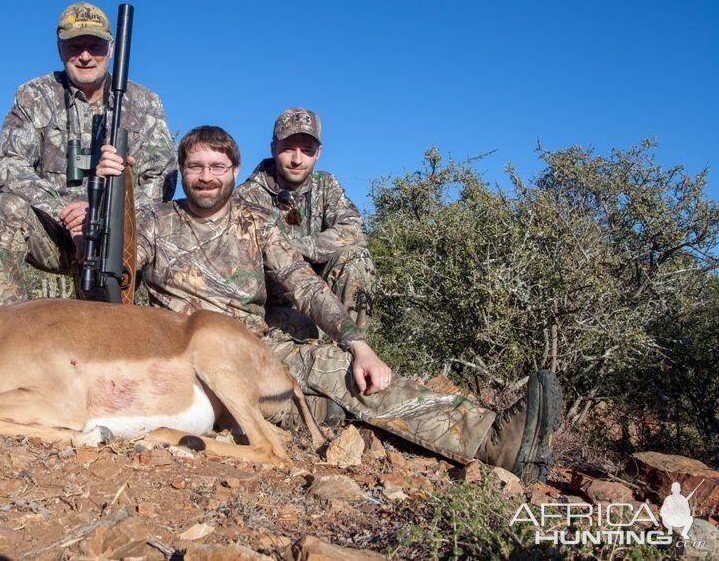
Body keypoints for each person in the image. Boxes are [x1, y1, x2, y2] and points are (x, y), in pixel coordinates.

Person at [96, 126, 562, 482]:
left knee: (344, 371)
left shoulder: (257, 222)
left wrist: (358, 345)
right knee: (310, 394)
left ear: (235, 172)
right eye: (196, 167)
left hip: (253, 348)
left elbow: (304, 284)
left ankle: (490, 440)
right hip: (182, 358)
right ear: (183, 171)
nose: (206, 177)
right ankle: (314, 414)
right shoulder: (153, 221)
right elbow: (113, 274)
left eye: (217, 167)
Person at [0, 2, 177, 304]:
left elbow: (163, 179)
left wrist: (106, 216)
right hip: (55, 231)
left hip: (115, 236)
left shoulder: (145, 102)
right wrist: (68, 213)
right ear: (60, 49)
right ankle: (7, 328)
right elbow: (3, 165)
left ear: (110, 49)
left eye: (94, 46)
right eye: (74, 46)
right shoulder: (34, 95)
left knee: (105, 321)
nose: (84, 56)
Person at [235, 108, 374, 426]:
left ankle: (355, 356)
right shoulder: (246, 196)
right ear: (272, 148)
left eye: (306, 150)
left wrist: (295, 249)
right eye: (288, 148)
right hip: (275, 309)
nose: (297, 159)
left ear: (318, 153)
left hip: (319, 298)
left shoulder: (327, 186)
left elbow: (353, 231)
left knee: (355, 257)